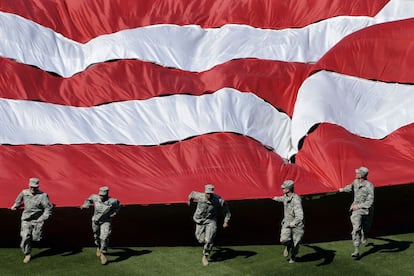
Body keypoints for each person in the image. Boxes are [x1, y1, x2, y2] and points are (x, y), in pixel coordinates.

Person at [10, 177, 53, 263]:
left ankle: (38, 239)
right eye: (31, 187)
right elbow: (18, 201)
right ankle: (27, 254)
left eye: (35, 187)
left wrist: (42, 218)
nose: (33, 188)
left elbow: (48, 209)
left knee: (36, 238)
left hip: (38, 219)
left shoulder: (43, 196)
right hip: (26, 219)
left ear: (38, 186)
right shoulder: (24, 193)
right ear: (29, 186)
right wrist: (15, 205)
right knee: (25, 236)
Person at [188, 184, 231, 266]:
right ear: (205, 192)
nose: (208, 195)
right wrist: (189, 201)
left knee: (209, 239)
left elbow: (226, 209)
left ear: (213, 193)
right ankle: (207, 243)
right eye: (207, 193)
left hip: (210, 220)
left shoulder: (218, 200)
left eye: (210, 193)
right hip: (199, 220)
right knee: (200, 239)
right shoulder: (200, 196)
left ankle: (205, 256)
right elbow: (192, 194)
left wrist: (226, 221)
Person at [339, 166, 374, 259]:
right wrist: (341, 189)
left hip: (366, 210)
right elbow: (349, 188)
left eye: (358, 172)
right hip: (356, 210)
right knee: (356, 228)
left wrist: (358, 206)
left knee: (366, 227)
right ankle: (356, 250)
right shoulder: (355, 182)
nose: (356, 173)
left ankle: (365, 234)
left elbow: (370, 202)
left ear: (361, 175)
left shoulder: (369, 186)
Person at [80, 186, 121, 265]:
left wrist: (114, 213)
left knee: (104, 237)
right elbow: (88, 200)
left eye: (103, 195)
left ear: (106, 195)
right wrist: (85, 205)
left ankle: (103, 254)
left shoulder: (112, 201)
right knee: (96, 236)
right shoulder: (95, 197)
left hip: (106, 221)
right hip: (95, 220)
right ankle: (98, 247)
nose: (101, 197)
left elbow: (118, 206)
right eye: (100, 195)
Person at [272, 180, 304, 263]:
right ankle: (288, 246)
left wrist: (294, 223)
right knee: (283, 240)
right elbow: (281, 199)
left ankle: (293, 257)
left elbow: (300, 215)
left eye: (284, 187)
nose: (282, 188)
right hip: (287, 222)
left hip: (297, 224)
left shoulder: (296, 199)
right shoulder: (285, 196)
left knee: (296, 242)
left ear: (289, 188)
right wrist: (274, 198)